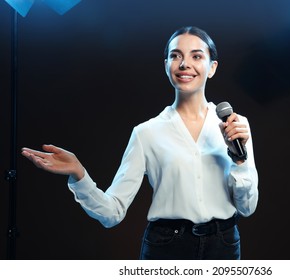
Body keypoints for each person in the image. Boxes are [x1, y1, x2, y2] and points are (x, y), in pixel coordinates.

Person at [21, 26, 259, 260]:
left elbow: (247, 207)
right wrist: (78, 174)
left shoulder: (235, 126)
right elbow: (112, 213)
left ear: (212, 67)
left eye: (196, 56)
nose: (184, 64)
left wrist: (239, 160)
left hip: (223, 246)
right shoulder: (146, 133)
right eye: (175, 56)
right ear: (166, 65)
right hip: (167, 248)